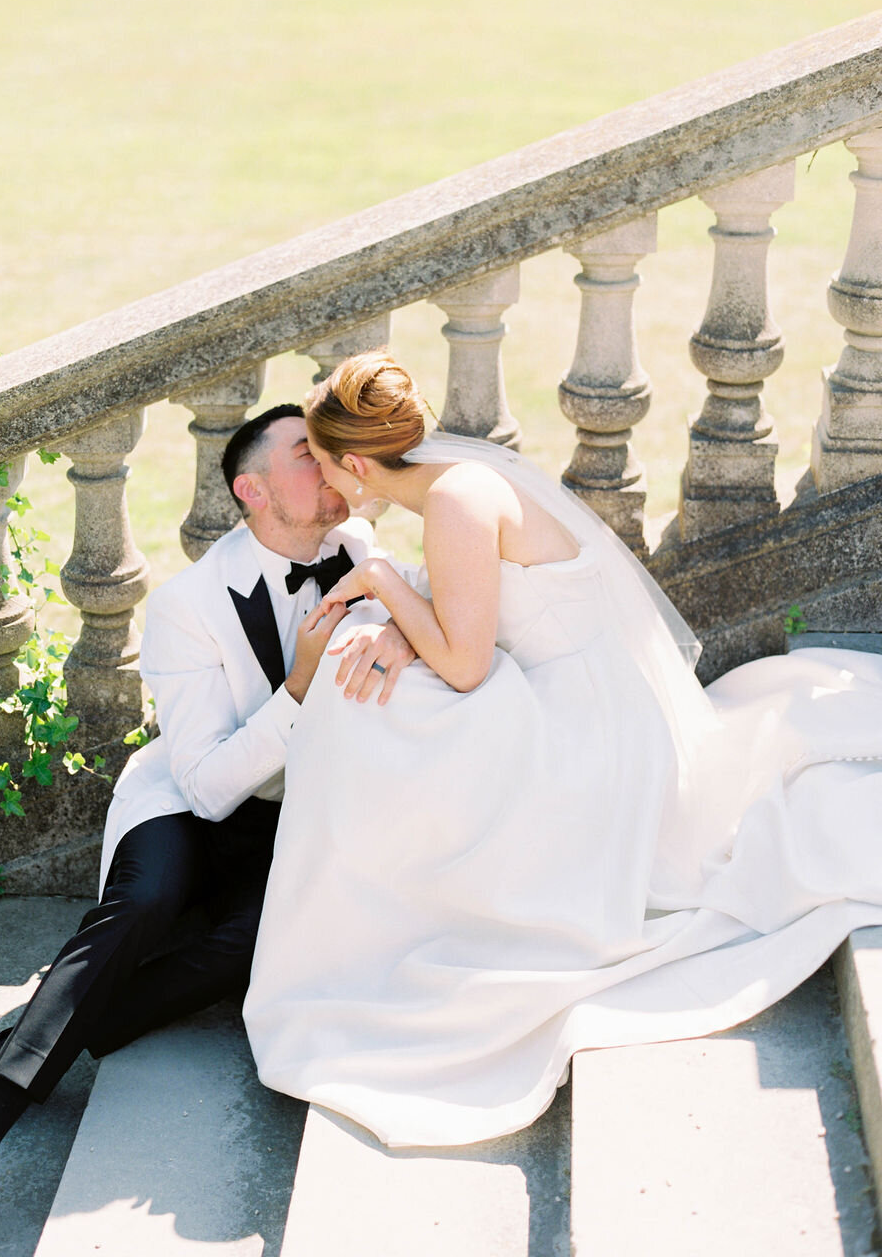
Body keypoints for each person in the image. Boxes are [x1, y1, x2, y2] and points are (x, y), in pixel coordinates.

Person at [243, 353, 882, 1150]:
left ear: (357, 464)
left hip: (590, 726)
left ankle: (378, 917)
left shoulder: (454, 496)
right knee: (375, 687)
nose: (324, 484)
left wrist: (382, 585)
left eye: (322, 463)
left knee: (374, 710)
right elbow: (467, 598)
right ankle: (365, 914)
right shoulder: (447, 482)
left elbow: (468, 666)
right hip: (563, 690)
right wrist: (405, 620)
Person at [0, 403, 416, 1236]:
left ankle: (22, 1038)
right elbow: (208, 783)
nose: (330, 469)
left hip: (292, 817)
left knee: (258, 946)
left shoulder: (360, 554)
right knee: (141, 908)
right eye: (306, 457)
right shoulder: (187, 604)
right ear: (251, 489)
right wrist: (299, 688)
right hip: (188, 799)